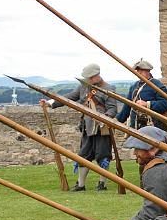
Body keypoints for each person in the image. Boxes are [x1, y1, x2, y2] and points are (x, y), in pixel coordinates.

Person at [41, 63, 118, 192]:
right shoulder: (83, 87)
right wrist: (50, 103)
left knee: (102, 155)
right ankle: (81, 184)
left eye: (90, 77)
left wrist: (104, 118)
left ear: (96, 76)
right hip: (87, 127)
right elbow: (68, 98)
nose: (88, 80)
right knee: (83, 155)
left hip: (101, 127)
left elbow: (112, 109)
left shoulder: (108, 88)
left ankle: (102, 184)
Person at [116, 59, 167, 131]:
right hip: (136, 125)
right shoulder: (134, 86)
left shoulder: (157, 85)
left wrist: (147, 104)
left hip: (154, 126)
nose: (139, 72)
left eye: (142, 70)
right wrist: (117, 120)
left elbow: (165, 104)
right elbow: (127, 106)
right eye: (138, 70)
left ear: (148, 71)